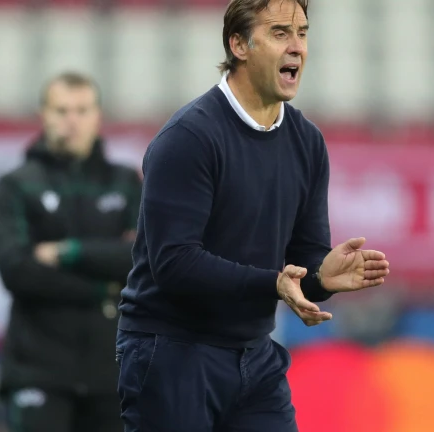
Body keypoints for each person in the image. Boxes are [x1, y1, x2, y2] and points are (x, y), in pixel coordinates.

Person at [115, 0, 391, 430]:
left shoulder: (307, 142)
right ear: (239, 45)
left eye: (302, 33)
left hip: (256, 357)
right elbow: (174, 264)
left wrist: (321, 277)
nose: (297, 46)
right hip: (171, 350)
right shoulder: (189, 138)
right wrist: (273, 284)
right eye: (280, 33)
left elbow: (304, 258)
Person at [0, 72, 142, 432]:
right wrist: (103, 287)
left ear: (97, 115)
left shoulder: (125, 182)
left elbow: (139, 259)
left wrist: (68, 252)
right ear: (43, 114)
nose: (72, 120)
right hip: (38, 372)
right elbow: (17, 271)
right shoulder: (17, 185)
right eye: (62, 110)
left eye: (82, 110)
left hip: (111, 373)